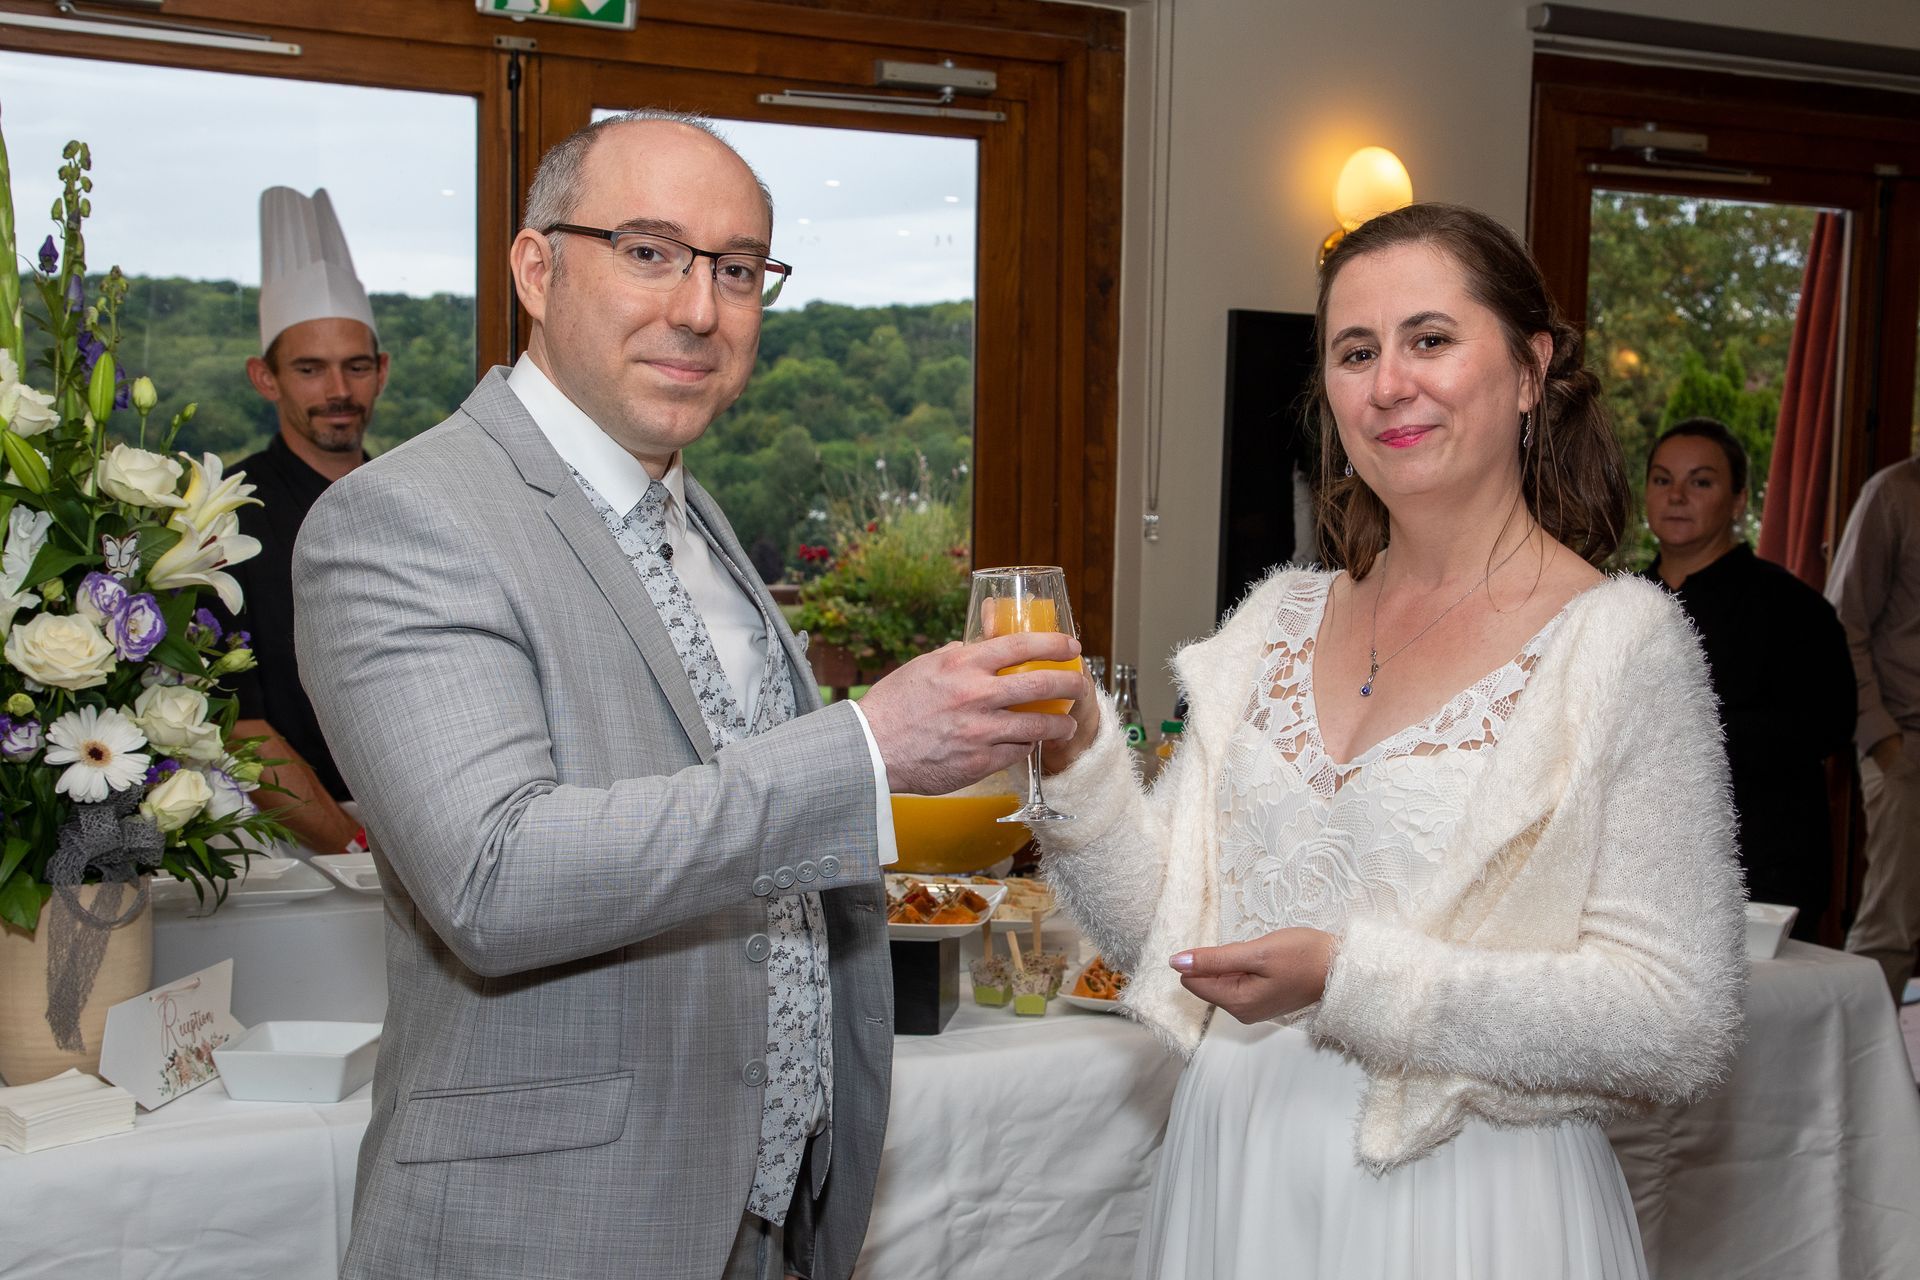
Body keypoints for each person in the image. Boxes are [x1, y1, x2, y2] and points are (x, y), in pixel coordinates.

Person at [292, 111, 1081, 1280]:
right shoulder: (405, 517)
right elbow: (495, 875)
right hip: (557, 1230)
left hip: (769, 1218)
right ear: (537, 270)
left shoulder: (689, 508)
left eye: (739, 270)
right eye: (651, 252)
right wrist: (866, 746)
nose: (701, 309)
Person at [1033, 204, 1746, 1279]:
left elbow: (1674, 1020)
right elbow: (1166, 931)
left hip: (1465, 1199)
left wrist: (1348, 980)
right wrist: (1078, 759)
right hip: (1239, 1167)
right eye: (1356, 352)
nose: (1389, 384)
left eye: (1431, 338)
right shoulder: (1274, 621)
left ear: (1530, 369)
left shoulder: (1619, 645)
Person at [1640, 418, 1855, 939]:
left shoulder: (1792, 608)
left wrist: (1686, 731)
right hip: (1638, 874)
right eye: (1663, 479)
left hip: (1760, 871)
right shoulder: (1616, 601)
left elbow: (1829, 724)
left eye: (1701, 481)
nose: (1677, 496)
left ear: (1738, 501)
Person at [221, 187, 387, 854]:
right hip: (292, 842)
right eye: (310, 369)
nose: (338, 391)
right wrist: (354, 844)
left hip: (430, 827)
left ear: (382, 372)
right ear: (266, 378)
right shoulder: (225, 517)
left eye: (356, 367)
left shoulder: (419, 500)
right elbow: (241, 728)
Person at [1826, 452, 1920, 1001]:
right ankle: (1862, 1055)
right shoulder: (1894, 494)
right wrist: (1882, 739)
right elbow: (1844, 623)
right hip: (1906, 743)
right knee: (1892, 930)